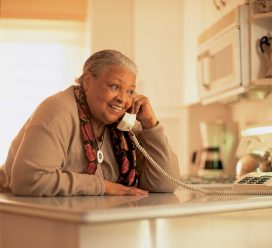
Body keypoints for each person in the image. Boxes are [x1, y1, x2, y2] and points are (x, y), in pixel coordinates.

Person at [0, 49, 180, 196]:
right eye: (115, 87)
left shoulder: (124, 126)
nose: (123, 99)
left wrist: (151, 125)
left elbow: (166, 183)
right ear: (87, 82)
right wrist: (103, 186)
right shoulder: (57, 111)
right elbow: (29, 180)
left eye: (130, 91)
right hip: (23, 220)